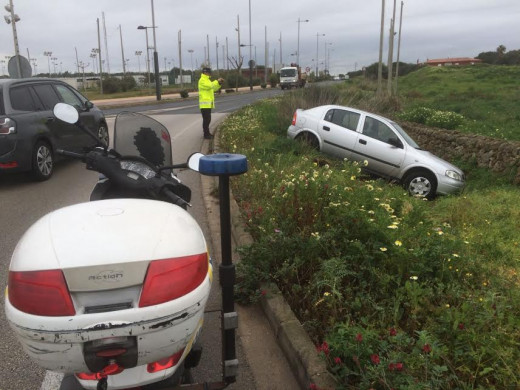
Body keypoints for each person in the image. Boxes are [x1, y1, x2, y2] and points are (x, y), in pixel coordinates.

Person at [198, 67, 224, 139]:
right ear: (205, 72)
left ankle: (207, 133)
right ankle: (206, 134)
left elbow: (213, 88)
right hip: (204, 104)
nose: (210, 73)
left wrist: (219, 83)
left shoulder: (207, 80)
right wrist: (217, 81)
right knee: (206, 120)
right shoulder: (202, 80)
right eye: (209, 72)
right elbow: (210, 86)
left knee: (208, 119)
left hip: (208, 104)